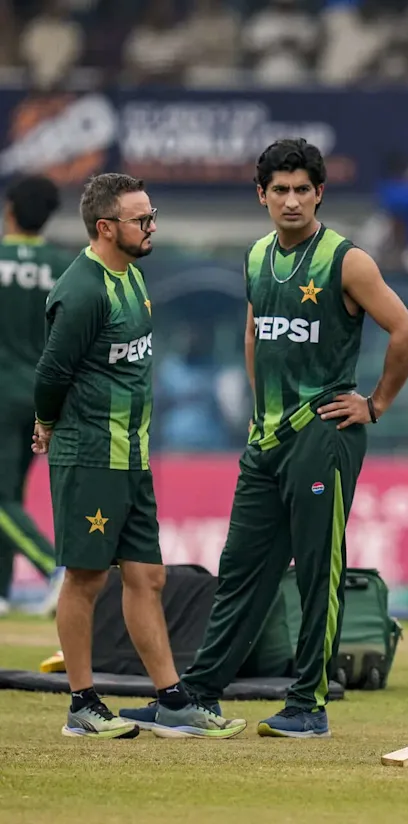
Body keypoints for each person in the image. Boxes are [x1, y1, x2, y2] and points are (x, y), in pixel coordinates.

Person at [122, 138, 408, 738]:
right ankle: (197, 697)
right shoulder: (257, 255)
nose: (291, 201)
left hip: (324, 433)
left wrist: (375, 405)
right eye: (280, 190)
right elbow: (254, 332)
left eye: (302, 190)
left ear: (319, 193)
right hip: (266, 440)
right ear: (261, 195)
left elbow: (406, 334)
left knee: (316, 570)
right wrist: (260, 410)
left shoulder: (346, 261)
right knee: (239, 569)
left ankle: (309, 705)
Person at [34, 173, 245, 739]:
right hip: (91, 456)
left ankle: (172, 701)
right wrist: (46, 423)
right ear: (106, 227)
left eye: (153, 216)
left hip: (132, 456)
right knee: (85, 579)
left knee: (148, 577)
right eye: (141, 219)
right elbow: (51, 372)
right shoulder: (83, 290)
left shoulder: (132, 276)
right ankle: (82, 705)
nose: (152, 227)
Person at [0, 175, 72, 617]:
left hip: (0, 394)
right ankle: (3, 590)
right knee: (8, 493)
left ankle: (54, 568)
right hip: (43, 396)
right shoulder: (64, 267)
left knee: (1, 499)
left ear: (9, 210)